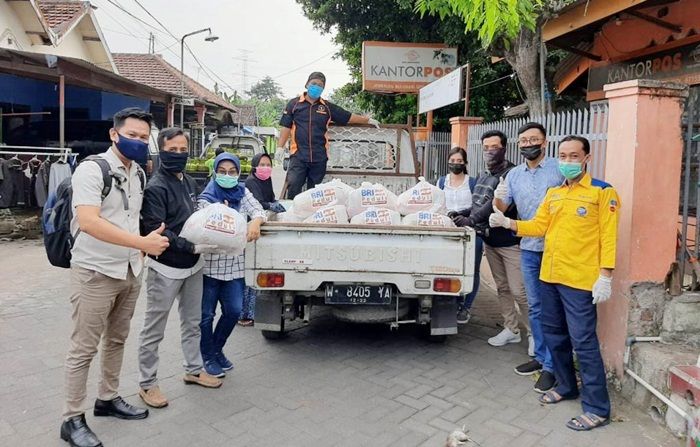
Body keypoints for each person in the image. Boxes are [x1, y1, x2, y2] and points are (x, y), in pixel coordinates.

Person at [489, 135, 619, 431]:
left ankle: (598, 407)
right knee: (554, 336)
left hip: (580, 281)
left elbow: (609, 237)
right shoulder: (555, 193)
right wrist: (509, 223)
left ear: (587, 158)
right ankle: (566, 385)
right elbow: (539, 226)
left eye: (574, 156)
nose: (568, 161)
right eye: (563, 156)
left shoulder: (603, 192)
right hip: (550, 276)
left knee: (583, 342)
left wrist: (606, 276)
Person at [61, 108, 170, 447]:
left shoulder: (137, 172)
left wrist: (143, 244)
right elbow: (90, 221)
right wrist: (142, 243)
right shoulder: (91, 170)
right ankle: (71, 418)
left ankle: (107, 399)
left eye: (142, 137)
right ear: (114, 134)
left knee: (117, 340)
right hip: (95, 272)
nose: (138, 141)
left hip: (129, 270)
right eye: (132, 135)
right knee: (83, 348)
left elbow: (129, 218)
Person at [137, 128, 223, 410]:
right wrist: (189, 246)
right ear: (162, 151)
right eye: (172, 150)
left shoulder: (187, 180)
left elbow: (197, 215)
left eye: (183, 149)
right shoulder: (155, 187)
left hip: (193, 266)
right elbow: (155, 230)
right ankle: (147, 384)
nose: (179, 154)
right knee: (154, 328)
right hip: (166, 268)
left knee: (193, 322)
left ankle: (193, 370)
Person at [493, 122, 563, 394]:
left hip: (557, 249)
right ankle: (542, 359)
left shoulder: (560, 169)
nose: (528, 144)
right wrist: (498, 201)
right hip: (530, 247)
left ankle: (554, 366)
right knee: (534, 306)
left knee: (554, 308)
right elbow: (503, 205)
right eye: (523, 141)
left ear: (544, 142)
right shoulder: (514, 175)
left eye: (533, 139)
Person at [453, 130, 530, 348]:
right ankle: (511, 329)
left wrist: (471, 220)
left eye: (494, 147)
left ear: (504, 148)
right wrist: (461, 213)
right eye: (486, 148)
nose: (489, 152)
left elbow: (495, 205)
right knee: (503, 289)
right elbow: (478, 204)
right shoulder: (484, 175)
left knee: (520, 292)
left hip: (510, 243)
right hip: (491, 242)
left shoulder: (512, 174)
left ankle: (534, 335)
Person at [198, 153, 266, 377]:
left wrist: (255, 221)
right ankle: (207, 356)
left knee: (233, 311)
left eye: (232, 172)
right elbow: (206, 225)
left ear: (238, 173)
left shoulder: (243, 192)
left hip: (235, 266)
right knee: (206, 315)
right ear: (215, 172)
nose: (227, 176)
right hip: (209, 267)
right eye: (223, 171)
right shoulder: (207, 196)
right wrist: (230, 216)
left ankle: (216, 350)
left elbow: (258, 210)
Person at [278, 71, 380, 199]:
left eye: (320, 85)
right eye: (313, 83)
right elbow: (286, 126)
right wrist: (280, 147)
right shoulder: (294, 104)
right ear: (307, 84)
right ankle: (292, 215)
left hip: (319, 157)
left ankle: (312, 216)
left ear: (323, 89)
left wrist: (367, 120)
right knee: (293, 185)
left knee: (315, 192)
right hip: (298, 156)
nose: (316, 87)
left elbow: (347, 117)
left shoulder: (326, 107)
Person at [238, 153, 284, 326]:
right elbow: (257, 204)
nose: (265, 167)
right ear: (255, 166)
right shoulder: (250, 182)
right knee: (250, 272)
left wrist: (275, 203)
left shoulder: (267, 180)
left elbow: (270, 199)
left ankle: (253, 312)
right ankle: (245, 314)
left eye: (268, 164)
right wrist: (271, 206)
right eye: (262, 164)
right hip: (252, 229)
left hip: (261, 228)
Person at [436, 147, 477, 324]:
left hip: (469, 231)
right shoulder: (441, 181)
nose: (456, 164)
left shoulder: (473, 182)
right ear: (448, 161)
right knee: (445, 268)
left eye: (459, 161)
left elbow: (478, 206)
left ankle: (465, 306)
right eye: (453, 161)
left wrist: (464, 217)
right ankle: (449, 302)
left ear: (465, 163)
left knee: (471, 269)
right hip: (446, 230)